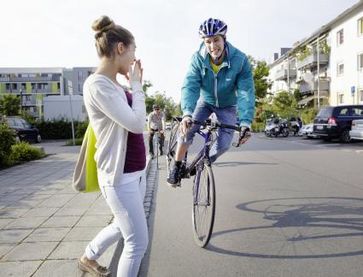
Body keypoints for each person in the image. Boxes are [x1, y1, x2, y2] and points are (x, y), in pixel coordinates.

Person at [79, 15, 148, 277]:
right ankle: (89, 256)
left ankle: (88, 256)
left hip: (134, 173)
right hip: (120, 179)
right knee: (137, 242)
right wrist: (138, 86)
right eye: (133, 51)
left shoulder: (113, 85)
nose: (134, 58)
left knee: (123, 226)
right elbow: (136, 123)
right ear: (120, 48)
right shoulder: (97, 85)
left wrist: (133, 87)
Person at [167, 18, 255, 187]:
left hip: (228, 105)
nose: (213, 46)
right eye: (208, 41)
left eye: (216, 40)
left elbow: (245, 93)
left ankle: (201, 163)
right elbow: (190, 86)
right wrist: (187, 113)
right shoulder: (198, 59)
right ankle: (177, 167)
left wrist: (245, 122)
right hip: (204, 101)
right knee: (186, 130)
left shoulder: (240, 60)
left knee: (223, 145)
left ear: (224, 39)